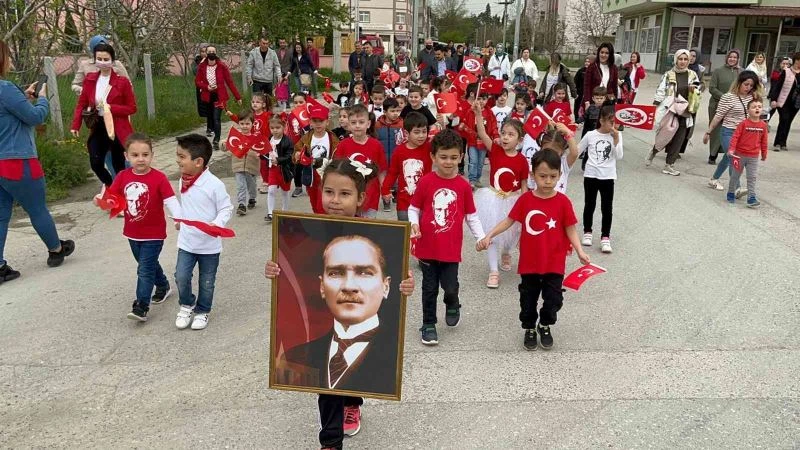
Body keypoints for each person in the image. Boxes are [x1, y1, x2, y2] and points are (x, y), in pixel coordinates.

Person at [265, 158, 415, 448]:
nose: (334, 200)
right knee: (327, 381)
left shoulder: (379, 236)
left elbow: (396, 275)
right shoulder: (308, 230)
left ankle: (354, 400)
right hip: (323, 319)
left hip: (360, 317)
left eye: (344, 194)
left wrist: (406, 284)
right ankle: (330, 442)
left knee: (358, 366)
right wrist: (276, 268)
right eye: (329, 192)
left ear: (361, 198)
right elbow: (292, 266)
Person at [476, 149, 590, 350]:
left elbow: (570, 228)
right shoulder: (526, 200)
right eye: (542, 176)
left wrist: (580, 251)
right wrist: (490, 235)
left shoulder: (563, 202)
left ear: (559, 175)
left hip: (554, 262)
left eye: (553, 176)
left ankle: (545, 324)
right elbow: (509, 221)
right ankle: (529, 327)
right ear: (533, 175)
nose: (547, 181)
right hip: (530, 263)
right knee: (528, 300)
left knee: (554, 299)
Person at [0, 40, 75, 282]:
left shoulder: (9, 92)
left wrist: (23, 97)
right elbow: (33, 117)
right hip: (18, 160)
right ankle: (55, 249)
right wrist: (42, 98)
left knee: (1, 215)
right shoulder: (5, 88)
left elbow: (10, 113)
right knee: (37, 208)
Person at [409, 130, 485, 345]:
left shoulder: (463, 186)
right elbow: (413, 208)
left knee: (450, 287)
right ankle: (429, 324)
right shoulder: (425, 182)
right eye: (443, 157)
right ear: (433, 157)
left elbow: (472, 216)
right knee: (429, 289)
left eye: (453, 157)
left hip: (451, 250)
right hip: (426, 248)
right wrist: (414, 223)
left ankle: (453, 303)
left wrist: (481, 237)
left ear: (461, 157)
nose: (448, 162)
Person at [98, 133, 180, 321]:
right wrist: (101, 201)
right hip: (132, 233)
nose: (140, 159)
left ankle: (141, 306)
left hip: (154, 234)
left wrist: (179, 218)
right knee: (147, 265)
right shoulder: (122, 176)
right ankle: (163, 285)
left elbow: (171, 201)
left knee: (144, 269)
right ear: (126, 156)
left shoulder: (159, 178)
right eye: (135, 155)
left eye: (145, 154)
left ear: (152, 155)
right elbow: (113, 198)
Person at [173, 134, 234, 330]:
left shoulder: (214, 184)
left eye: (182, 157)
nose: (177, 160)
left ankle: (202, 311)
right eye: (177, 155)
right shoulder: (183, 180)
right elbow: (185, 205)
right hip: (187, 242)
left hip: (209, 245)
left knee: (207, 282)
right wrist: (179, 219)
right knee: (181, 276)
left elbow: (226, 208)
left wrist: (216, 223)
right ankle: (186, 304)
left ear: (198, 162)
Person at [473, 110, 528, 289]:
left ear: (520, 141)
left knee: (512, 235)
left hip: (512, 200)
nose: (505, 137)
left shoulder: (522, 161)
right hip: (492, 199)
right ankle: (493, 271)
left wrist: (526, 204)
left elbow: (524, 185)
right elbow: (481, 132)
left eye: (511, 135)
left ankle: (506, 252)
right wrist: (478, 114)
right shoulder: (495, 150)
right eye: (503, 133)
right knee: (493, 234)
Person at [70, 42, 137, 186]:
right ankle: (111, 186)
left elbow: (131, 108)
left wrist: (110, 107)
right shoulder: (90, 80)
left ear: (113, 61)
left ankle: (121, 194)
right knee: (96, 162)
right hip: (98, 125)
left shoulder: (122, 82)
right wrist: (76, 124)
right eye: (99, 59)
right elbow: (81, 104)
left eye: (106, 59)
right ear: (94, 60)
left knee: (118, 164)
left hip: (116, 127)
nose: (102, 62)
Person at [703, 70, 760, 194]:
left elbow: (755, 114)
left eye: (751, 85)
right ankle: (736, 188)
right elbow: (718, 116)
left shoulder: (751, 97)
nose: (748, 87)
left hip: (743, 134)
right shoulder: (727, 97)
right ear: (739, 83)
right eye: (746, 84)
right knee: (734, 157)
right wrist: (708, 132)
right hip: (728, 132)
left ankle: (714, 179)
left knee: (727, 158)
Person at [646, 49, 702, 176]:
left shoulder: (693, 75)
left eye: (685, 59)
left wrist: (694, 90)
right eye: (680, 59)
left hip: (685, 110)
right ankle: (654, 151)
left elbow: (698, 91)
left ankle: (669, 165)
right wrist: (656, 104)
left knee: (679, 139)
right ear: (676, 60)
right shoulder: (668, 74)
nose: (682, 62)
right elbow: (661, 90)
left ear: (688, 61)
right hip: (670, 109)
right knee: (665, 136)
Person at [579, 106, 623, 254]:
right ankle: (587, 232)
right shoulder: (591, 135)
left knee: (607, 208)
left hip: (608, 176)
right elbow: (578, 150)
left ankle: (605, 237)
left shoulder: (616, 136)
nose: (613, 124)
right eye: (610, 121)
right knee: (589, 204)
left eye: (614, 121)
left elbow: (619, 156)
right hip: (591, 174)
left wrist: (616, 140)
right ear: (601, 120)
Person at [335, 105, 387, 218]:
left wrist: (385, 190)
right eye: (353, 122)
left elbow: (381, 171)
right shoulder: (343, 145)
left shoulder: (376, 145)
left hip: (371, 195)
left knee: (367, 230)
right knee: (350, 229)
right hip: (348, 195)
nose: (357, 126)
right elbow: (337, 170)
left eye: (361, 122)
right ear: (348, 124)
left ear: (368, 124)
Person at [381, 112, 432, 221]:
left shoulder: (429, 148)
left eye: (424, 131)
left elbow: (444, 144)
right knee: (406, 233)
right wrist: (385, 189)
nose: (421, 135)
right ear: (406, 133)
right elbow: (392, 173)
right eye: (417, 132)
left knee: (424, 233)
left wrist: (442, 122)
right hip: (404, 203)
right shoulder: (399, 151)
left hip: (425, 201)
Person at [195, 45, 242, 151]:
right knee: (210, 117)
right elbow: (197, 82)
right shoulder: (202, 66)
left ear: (216, 53)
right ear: (206, 54)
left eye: (213, 51)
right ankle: (212, 132)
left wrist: (237, 97)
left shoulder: (222, 66)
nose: (211, 53)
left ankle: (216, 140)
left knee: (216, 118)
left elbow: (229, 82)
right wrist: (206, 87)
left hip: (219, 96)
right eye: (209, 51)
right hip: (207, 95)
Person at [294, 106, 340, 214]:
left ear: (327, 122)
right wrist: (297, 155)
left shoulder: (332, 138)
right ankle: (319, 220)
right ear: (310, 122)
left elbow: (338, 155)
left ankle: (323, 225)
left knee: (322, 204)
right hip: (310, 174)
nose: (318, 124)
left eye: (321, 121)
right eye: (315, 121)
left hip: (326, 174)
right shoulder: (306, 137)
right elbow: (297, 151)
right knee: (314, 202)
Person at [725, 98, 768, 207]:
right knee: (735, 175)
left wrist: (764, 153)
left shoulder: (763, 125)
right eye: (754, 107)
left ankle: (751, 197)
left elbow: (764, 141)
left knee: (752, 177)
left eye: (759, 107)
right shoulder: (743, 124)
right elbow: (735, 137)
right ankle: (730, 192)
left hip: (753, 156)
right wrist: (731, 149)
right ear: (748, 110)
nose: (757, 108)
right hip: (739, 155)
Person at [707, 49, 741, 164]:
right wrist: (725, 98)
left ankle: (727, 153)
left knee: (730, 129)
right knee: (716, 129)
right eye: (730, 57)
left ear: (738, 59)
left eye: (735, 57)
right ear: (727, 58)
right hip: (717, 104)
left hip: (735, 107)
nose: (732, 59)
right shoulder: (718, 71)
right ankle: (713, 154)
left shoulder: (741, 72)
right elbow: (712, 88)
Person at [228, 110, 260, 216]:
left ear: (252, 124)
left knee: (252, 185)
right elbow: (227, 144)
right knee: (240, 185)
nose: (244, 126)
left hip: (251, 166)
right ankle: (241, 204)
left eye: (247, 124)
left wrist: (259, 154)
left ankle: (252, 198)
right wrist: (224, 144)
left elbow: (263, 149)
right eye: (242, 124)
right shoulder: (236, 136)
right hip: (238, 165)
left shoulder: (256, 137)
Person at [768, 52, 800, 152]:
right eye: (798, 60)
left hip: (796, 102)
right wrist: (773, 99)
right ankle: (777, 143)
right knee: (784, 120)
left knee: (788, 122)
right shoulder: (786, 71)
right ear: (795, 60)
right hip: (783, 101)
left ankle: (783, 143)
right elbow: (777, 86)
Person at [264, 116, 294, 222]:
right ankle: (270, 213)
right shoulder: (268, 139)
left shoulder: (288, 141)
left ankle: (284, 211)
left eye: (277, 127)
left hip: (284, 170)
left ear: (284, 127)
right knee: (271, 190)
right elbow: (264, 153)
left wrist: (279, 160)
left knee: (285, 192)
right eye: (272, 128)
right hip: (272, 169)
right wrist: (259, 154)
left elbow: (289, 156)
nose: (275, 130)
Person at [583, 43, 619, 110]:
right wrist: (587, 102)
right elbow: (586, 86)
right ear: (598, 53)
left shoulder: (614, 68)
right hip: (594, 101)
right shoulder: (591, 67)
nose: (603, 55)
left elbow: (614, 86)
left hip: (608, 102)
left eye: (606, 53)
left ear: (610, 55)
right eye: (602, 52)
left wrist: (616, 101)